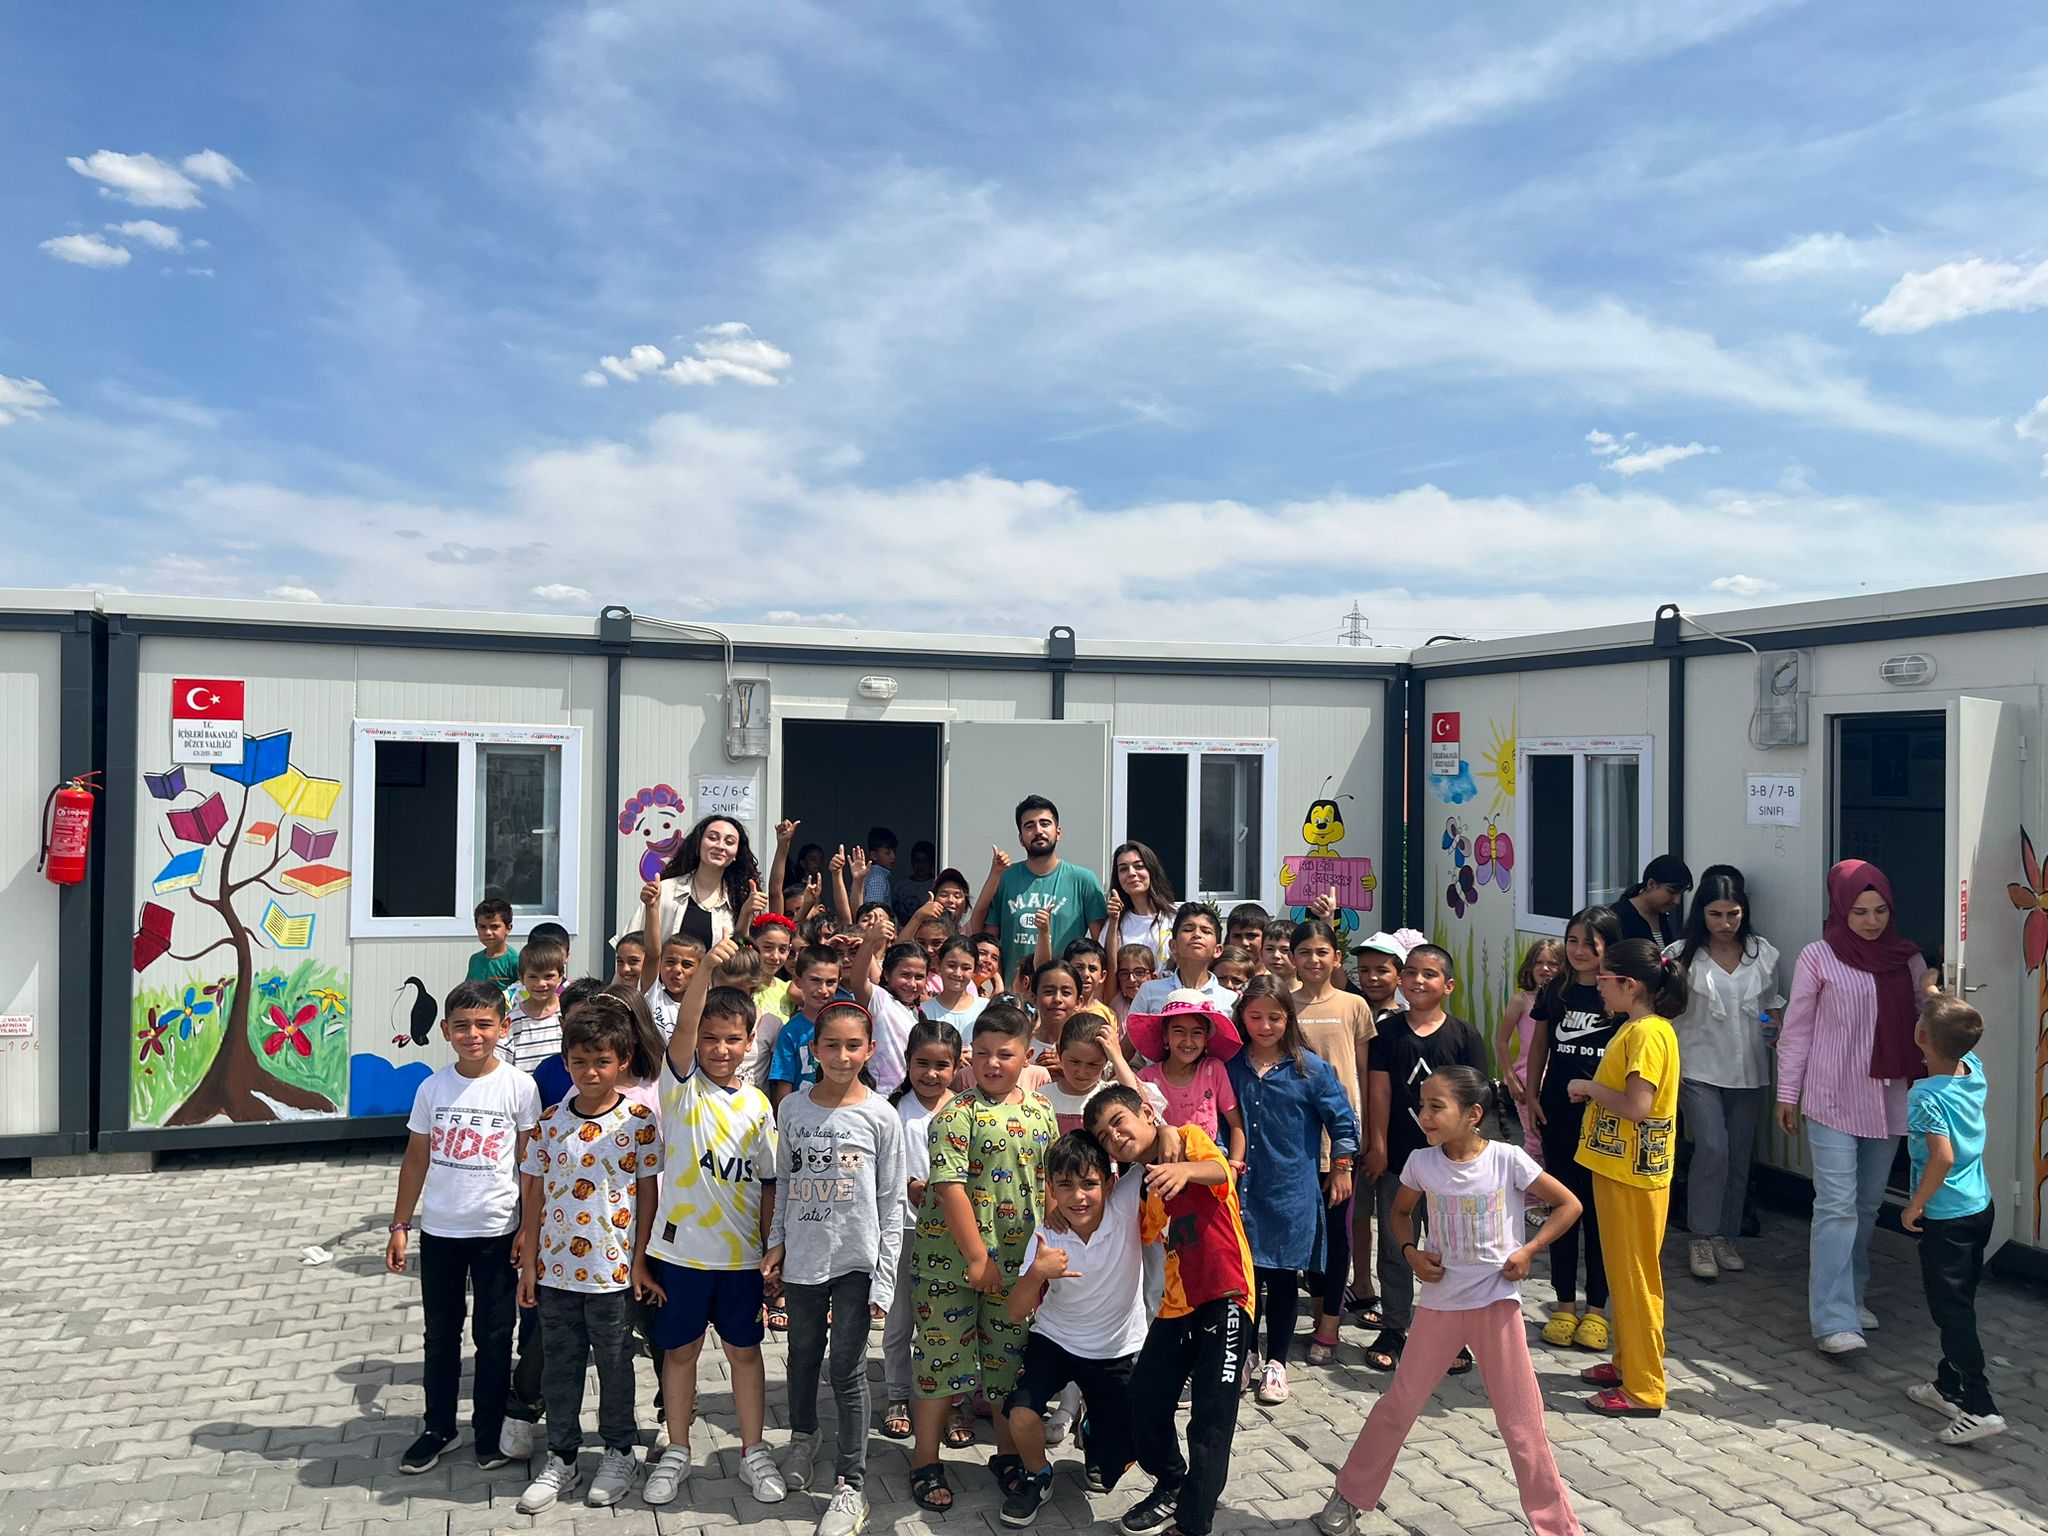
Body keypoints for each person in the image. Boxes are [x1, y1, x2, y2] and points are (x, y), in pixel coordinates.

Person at [1316, 1067, 1586, 1536]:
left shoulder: (1508, 1160)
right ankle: (1350, 1495)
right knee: (1399, 1405)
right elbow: (1400, 1213)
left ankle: (1558, 1527)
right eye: (1422, 1106)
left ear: (1473, 1114)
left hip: (1497, 1307)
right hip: (1439, 1307)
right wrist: (1410, 1253)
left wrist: (1529, 1251)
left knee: (1522, 1422)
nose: (1424, 1115)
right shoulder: (1421, 1162)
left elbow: (1569, 1205)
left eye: (1436, 1107)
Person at [632, 939, 786, 1508]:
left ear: (750, 1042)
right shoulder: (680, 1088)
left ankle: (753, 1451)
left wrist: (772, 1247)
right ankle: (676, 1449)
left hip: (742, 1260)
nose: (721, 1049)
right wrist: (705, 971)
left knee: (745, 1353)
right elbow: (682, 1025)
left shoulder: (759, 1105)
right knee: (681, 1353)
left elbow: (769, 1183)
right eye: (710, 1038)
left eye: (732, 1039)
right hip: (682, 1255)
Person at [907, 1003, 1059, 1514]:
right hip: (950, 1266)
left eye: (1006, 1054)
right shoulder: (956, 1114)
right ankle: (925, 1461)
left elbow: (1048, 1183)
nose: (993, 1063)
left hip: (1017, 1269)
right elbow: (948, 1187)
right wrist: (977, 1257)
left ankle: (1008, 1455)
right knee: (938, 1363)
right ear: (970, 1056)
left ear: (1027, 1056)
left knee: (1007, 1365)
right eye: (984, 1053)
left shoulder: (1041, 1111)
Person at [385, 980, 541, 1475]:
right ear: (445, 1030)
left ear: (503, 1027)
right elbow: (416, 1158)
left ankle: (488, 1431)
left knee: (494, 1336)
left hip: (497, 1231)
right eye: (462, 1026)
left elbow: (530, 1164)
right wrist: (400, 1224)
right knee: (440, 1334)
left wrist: (528, 1228)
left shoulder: (520, 1087)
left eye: (483, 1025)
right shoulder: (432, 1088)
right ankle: (439, 1427)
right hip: (441, 1232)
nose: (473, 1034)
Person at [1084, 1085, 1255, 1536]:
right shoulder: (1140, 1187)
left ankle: (1193, 1523)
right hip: (1175, 1308)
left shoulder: (1187, 1138)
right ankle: (1172, 1483)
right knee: (1142, 1401)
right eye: (1103, 1136)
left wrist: (1182, 1167)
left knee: (1211, 1420)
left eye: (1118, 1122)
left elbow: (1221, 1170)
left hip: (1227, 1295)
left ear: (1145, 1112)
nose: (1114, 1136)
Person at [513, 999, 663, 1512]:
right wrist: (528, 1264)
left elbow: (649, 1197)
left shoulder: (638, 1122)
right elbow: (535, 1195)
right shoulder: (550, 1122)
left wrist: (640, 1261)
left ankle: (620, 1451)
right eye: (579, 1062)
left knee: (617, 1362)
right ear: (566, 1062)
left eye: (602, 1061)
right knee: (560, 1366)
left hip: (614, 1274)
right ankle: (562, 1456)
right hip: (555, 1273)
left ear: (623, 1060)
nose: (591, 1072)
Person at [765, 1001, 906, 1536]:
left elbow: (891, 1203)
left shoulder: (881, 1116)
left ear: (870, 1050)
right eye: (831, 1045)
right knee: (802, 1357)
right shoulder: (792, 1109)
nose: (842, 1056)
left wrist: (884, 1280)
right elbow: (784, 1182)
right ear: (813, 1049)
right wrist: (777, 1244)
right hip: (804, 1260)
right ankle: (804, 1436)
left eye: (853, 1046)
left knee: (847, 1370)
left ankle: (851, 1482)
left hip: (856, 1265)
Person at [1777, 859, 1927, 1354]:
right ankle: (1833, 1318)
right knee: (1837, 1206)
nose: (1871, 921)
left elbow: (1926, 1025)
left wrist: (1937, 994)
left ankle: (1853, 1294)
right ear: (1841, 909)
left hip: (1888, 1099)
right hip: (1832, 1098)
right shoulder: (1819, 957)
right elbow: (1797, 1030)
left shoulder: (1907, 960)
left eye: (1880, 910)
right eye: (1860, 911)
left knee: (1866, 1206)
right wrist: (1788, 1093)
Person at [1000, 1131, 1152, 1527]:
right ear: (1050, 1189)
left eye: (1089, 1183)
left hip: (1115, 1348)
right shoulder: (1046, 1235)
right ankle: (1038, 1475)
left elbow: (1156, 1142)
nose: (1078, 1197)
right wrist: (1037, 1272)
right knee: (1021, 1414)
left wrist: (1164, 1128)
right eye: (1065, 1186)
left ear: (1110, 1183)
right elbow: (1016, 1310)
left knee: (1117, 1460)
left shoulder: (1124, 1204)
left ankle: (1093, 1429)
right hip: (1056, 1338)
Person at [1227, 977, 1358, 1405]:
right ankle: (1246, 1354)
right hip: (1240, 1192)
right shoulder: (1229, 1066)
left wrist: (1342, 1168)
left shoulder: (1310, 1069)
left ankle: (1277, 1362)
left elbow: (1343, 1121)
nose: (1265, 1026)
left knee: (1283, 1279)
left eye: (1275, 1017)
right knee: (1246, 1280)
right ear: (1242, 1017)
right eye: (1255, 1017)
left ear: (1289, 1018)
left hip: (1290, 1192)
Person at [1567, 939, 1683, 1417]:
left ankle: (1644, 1388)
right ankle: (1628, 1363)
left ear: (1629, 984)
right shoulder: (1640, 1028)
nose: (1598, 987)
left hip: (1632, 1175)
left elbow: (1637, 1106)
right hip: (1622, 1168)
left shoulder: (1648, 1033)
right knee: (1624, 1271)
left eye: (1604, 979)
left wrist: (1588, 1087)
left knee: (1635, 1279)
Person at [1363, 944, 1488, 1373]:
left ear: (1448, 985)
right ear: (1400, 979)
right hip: (1399, 1160)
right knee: (1395, 1244)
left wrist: (1469, 1158)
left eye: (1430, 974)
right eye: (1412, 972)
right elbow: (1379, 1092)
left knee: (1451, 1246)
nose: (1419, 980)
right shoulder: (1386, 1033)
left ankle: (1452, 1331)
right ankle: (1395, 1325)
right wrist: (1378, 1145)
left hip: (1451, 1165)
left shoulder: (1465, 1036)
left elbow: (1476, 1102)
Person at [1665, 872, 1782, 1281]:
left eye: (1733, 914)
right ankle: (1700, 1235)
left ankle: (1724, 1235)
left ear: (1744, 912)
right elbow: (1664, 1012)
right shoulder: (1679, 956)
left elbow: (1771, 1005)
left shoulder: (1762, 953)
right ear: (1701, 912)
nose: (1725, 923)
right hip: (1696, 1068)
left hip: (1748, 1069)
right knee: (1712, 1148)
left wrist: (1775, 1028)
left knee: (1738, 1154)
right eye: (1715, 914)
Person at [1901, 996, 2004, 1444]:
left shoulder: (1924, 1096)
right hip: (1980, 1208)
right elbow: (1958, 1034)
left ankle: (1980, 1406)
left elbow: (1941, 1157)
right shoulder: (1971, 1069)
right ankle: (1948, 1386)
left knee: (1951, 1312)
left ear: (1922, 1036)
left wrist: (1915, 1205)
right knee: (1961, 1299)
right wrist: (1936, 995)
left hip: (1947, 1218)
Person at [1526, 906, 1622, 1353]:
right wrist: (1531, 1096)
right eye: (1573, 941)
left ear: (1609, 946)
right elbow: (1539, 1047)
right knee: (1564, 1209)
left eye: (1590, 943)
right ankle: (1564, 1305)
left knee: (1600, 1215)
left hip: (1606, 1120)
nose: (1579, 950)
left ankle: (1597, 1309)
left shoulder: (1618, 992)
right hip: (1557, 1116)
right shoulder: (1555, 990)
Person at [1290, 917, 1377, 1365]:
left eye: (1322, 952)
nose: (1314, 960)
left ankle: (1329, 1325)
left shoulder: (1353, 1005)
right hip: (1294, 1139)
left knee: (1337, 1233)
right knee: (1305, 1233)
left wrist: (1365, 1135)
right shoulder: (1282, 1004)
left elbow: (1363, 1074)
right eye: (1305, 952)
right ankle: (1311, 1309)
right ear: (1292, 958)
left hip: (1339, 1139)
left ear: (1337, 958)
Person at [881, 1021, 962, 1444]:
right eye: (922, 1063)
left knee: (948, 1322)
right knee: (900, 1319)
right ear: (907, 1062)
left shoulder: (965, 1109)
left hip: (956, 1235)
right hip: (906, 1229)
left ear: (957, 1066)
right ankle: (898, 1394)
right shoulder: (894, 1111)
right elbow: (882, 1169)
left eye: (941, 1065)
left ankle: (949, 1399)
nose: (931, 1074)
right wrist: (909, 1186)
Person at [975, 796, 1110, 983]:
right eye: (1029, 826)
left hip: (1064, 993)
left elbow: (1101, 949)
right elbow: (989, 942)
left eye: (1045, 824)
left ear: (1058, 832)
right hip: (1015, 994)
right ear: (1021, 838)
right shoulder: (1005, 878)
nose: (1038, 831)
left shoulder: (1084, 880)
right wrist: (997, 986)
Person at [1130, 990, 1247, 1162]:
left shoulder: (1214, 1070)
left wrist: (1234, 1166)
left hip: (1209, 1164)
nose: (1188, 1041)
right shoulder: (1147, 1078)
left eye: (1197, 1032)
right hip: (1163, 1165)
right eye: (1179, 1031)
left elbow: (1236, 1125)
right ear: (1165, 1035)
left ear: (1206, 1037)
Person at [640, 815, 762, 955]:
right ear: (698, 845)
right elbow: (634, 946)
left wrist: (745, 914)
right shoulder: (665, 890)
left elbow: (740, 954)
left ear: (736, 854)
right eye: (712, 838)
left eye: (729, 842)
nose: (720, 846)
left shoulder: (739, 901)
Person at [1496, 939, 1565, 1140]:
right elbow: (1501, 1040)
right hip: (1527, 1082)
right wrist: (1511, 1078)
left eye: (1552, 963)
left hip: (1557, 1081)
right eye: (1539, 962)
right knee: (1535, 1139)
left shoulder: (1566, 1000)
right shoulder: (1521, 1001)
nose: (1545, 968)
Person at [769, 946, 850, 1106]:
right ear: (798, 981)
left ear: (839, 982)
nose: (823, 990)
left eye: (830, 982)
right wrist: (785, 1117)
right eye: (815, 980)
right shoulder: (790, 1032)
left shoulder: (846, 1026)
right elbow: (784, 1082)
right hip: (802, 1113)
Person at [1130, 902, 1233, 1015]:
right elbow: (1134, 1026)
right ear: (1173, 946)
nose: (1197, 934)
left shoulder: (1230, 1000)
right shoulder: (1149, 991)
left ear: (1217, 950)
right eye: (1188, 929)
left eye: (1206, 931)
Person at [499, 938, 569, 1073]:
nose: (541, 983)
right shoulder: (512, 1020)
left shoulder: (567, 1015)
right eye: (533, 977)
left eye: (548, 976)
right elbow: (502, 1065)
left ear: (560, 976)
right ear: (521, 977)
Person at [1101, 840, 1179, 960]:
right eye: (1123, 869)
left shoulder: (1175, 917)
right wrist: (1113, 921)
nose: (1131, 873)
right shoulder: (1114, 924)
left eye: (1139, 866)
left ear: (1151, 870)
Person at [922, 935, 988, 1043]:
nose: (957, 973)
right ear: (938, 964)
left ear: (975, 969)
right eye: (951, 965)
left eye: (966, 968)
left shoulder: (986, 1009)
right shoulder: (923, 1011)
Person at [1616, 855, 1692, 947]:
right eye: (1672, 892)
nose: (1677, 901)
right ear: (1651, 884)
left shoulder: (1662, 917)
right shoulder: (1619, 918)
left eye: (1681, 893)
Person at [644, 932, 705, 1041]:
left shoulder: (705, 1006)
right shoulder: (652, 994)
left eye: (686, 964)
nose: (677, 969)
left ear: (700, 969)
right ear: (660, 965)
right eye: (670, 962)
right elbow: (652, 953)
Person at [469, 898, 522, 990]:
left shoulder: (515, 961)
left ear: (508, 928)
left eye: (494, 927)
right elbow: (468, 989)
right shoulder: (475, 960)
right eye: (482, 927)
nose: (488, 932)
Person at [1113, 944, 1157, 1025]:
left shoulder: (1161, 1007)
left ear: (1153, 978)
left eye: (1139, 972)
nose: (1131, 979)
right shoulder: (1117, 1003)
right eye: (1124, 973)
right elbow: (1111, 964)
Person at [1262, 920, 1296, 987]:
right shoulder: (1252, 990)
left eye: (1285, 950)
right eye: (1269, 949)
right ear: (1261, 955)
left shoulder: (1312, 992)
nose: (1276, 955)